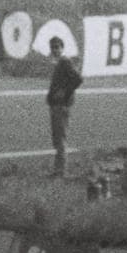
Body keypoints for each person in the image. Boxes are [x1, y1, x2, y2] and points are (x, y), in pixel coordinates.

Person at [46, 36, 82, 178]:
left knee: (60, 139)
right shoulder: (59, 63)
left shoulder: (65, 62)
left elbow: (78, 79)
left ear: (62, 48)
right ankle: (58, 170)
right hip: (56, 105)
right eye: (52, 47)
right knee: (57, 138)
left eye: (57, 47)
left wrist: (65, 93)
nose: (54, 50)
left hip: (61, 106)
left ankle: (61, 171)